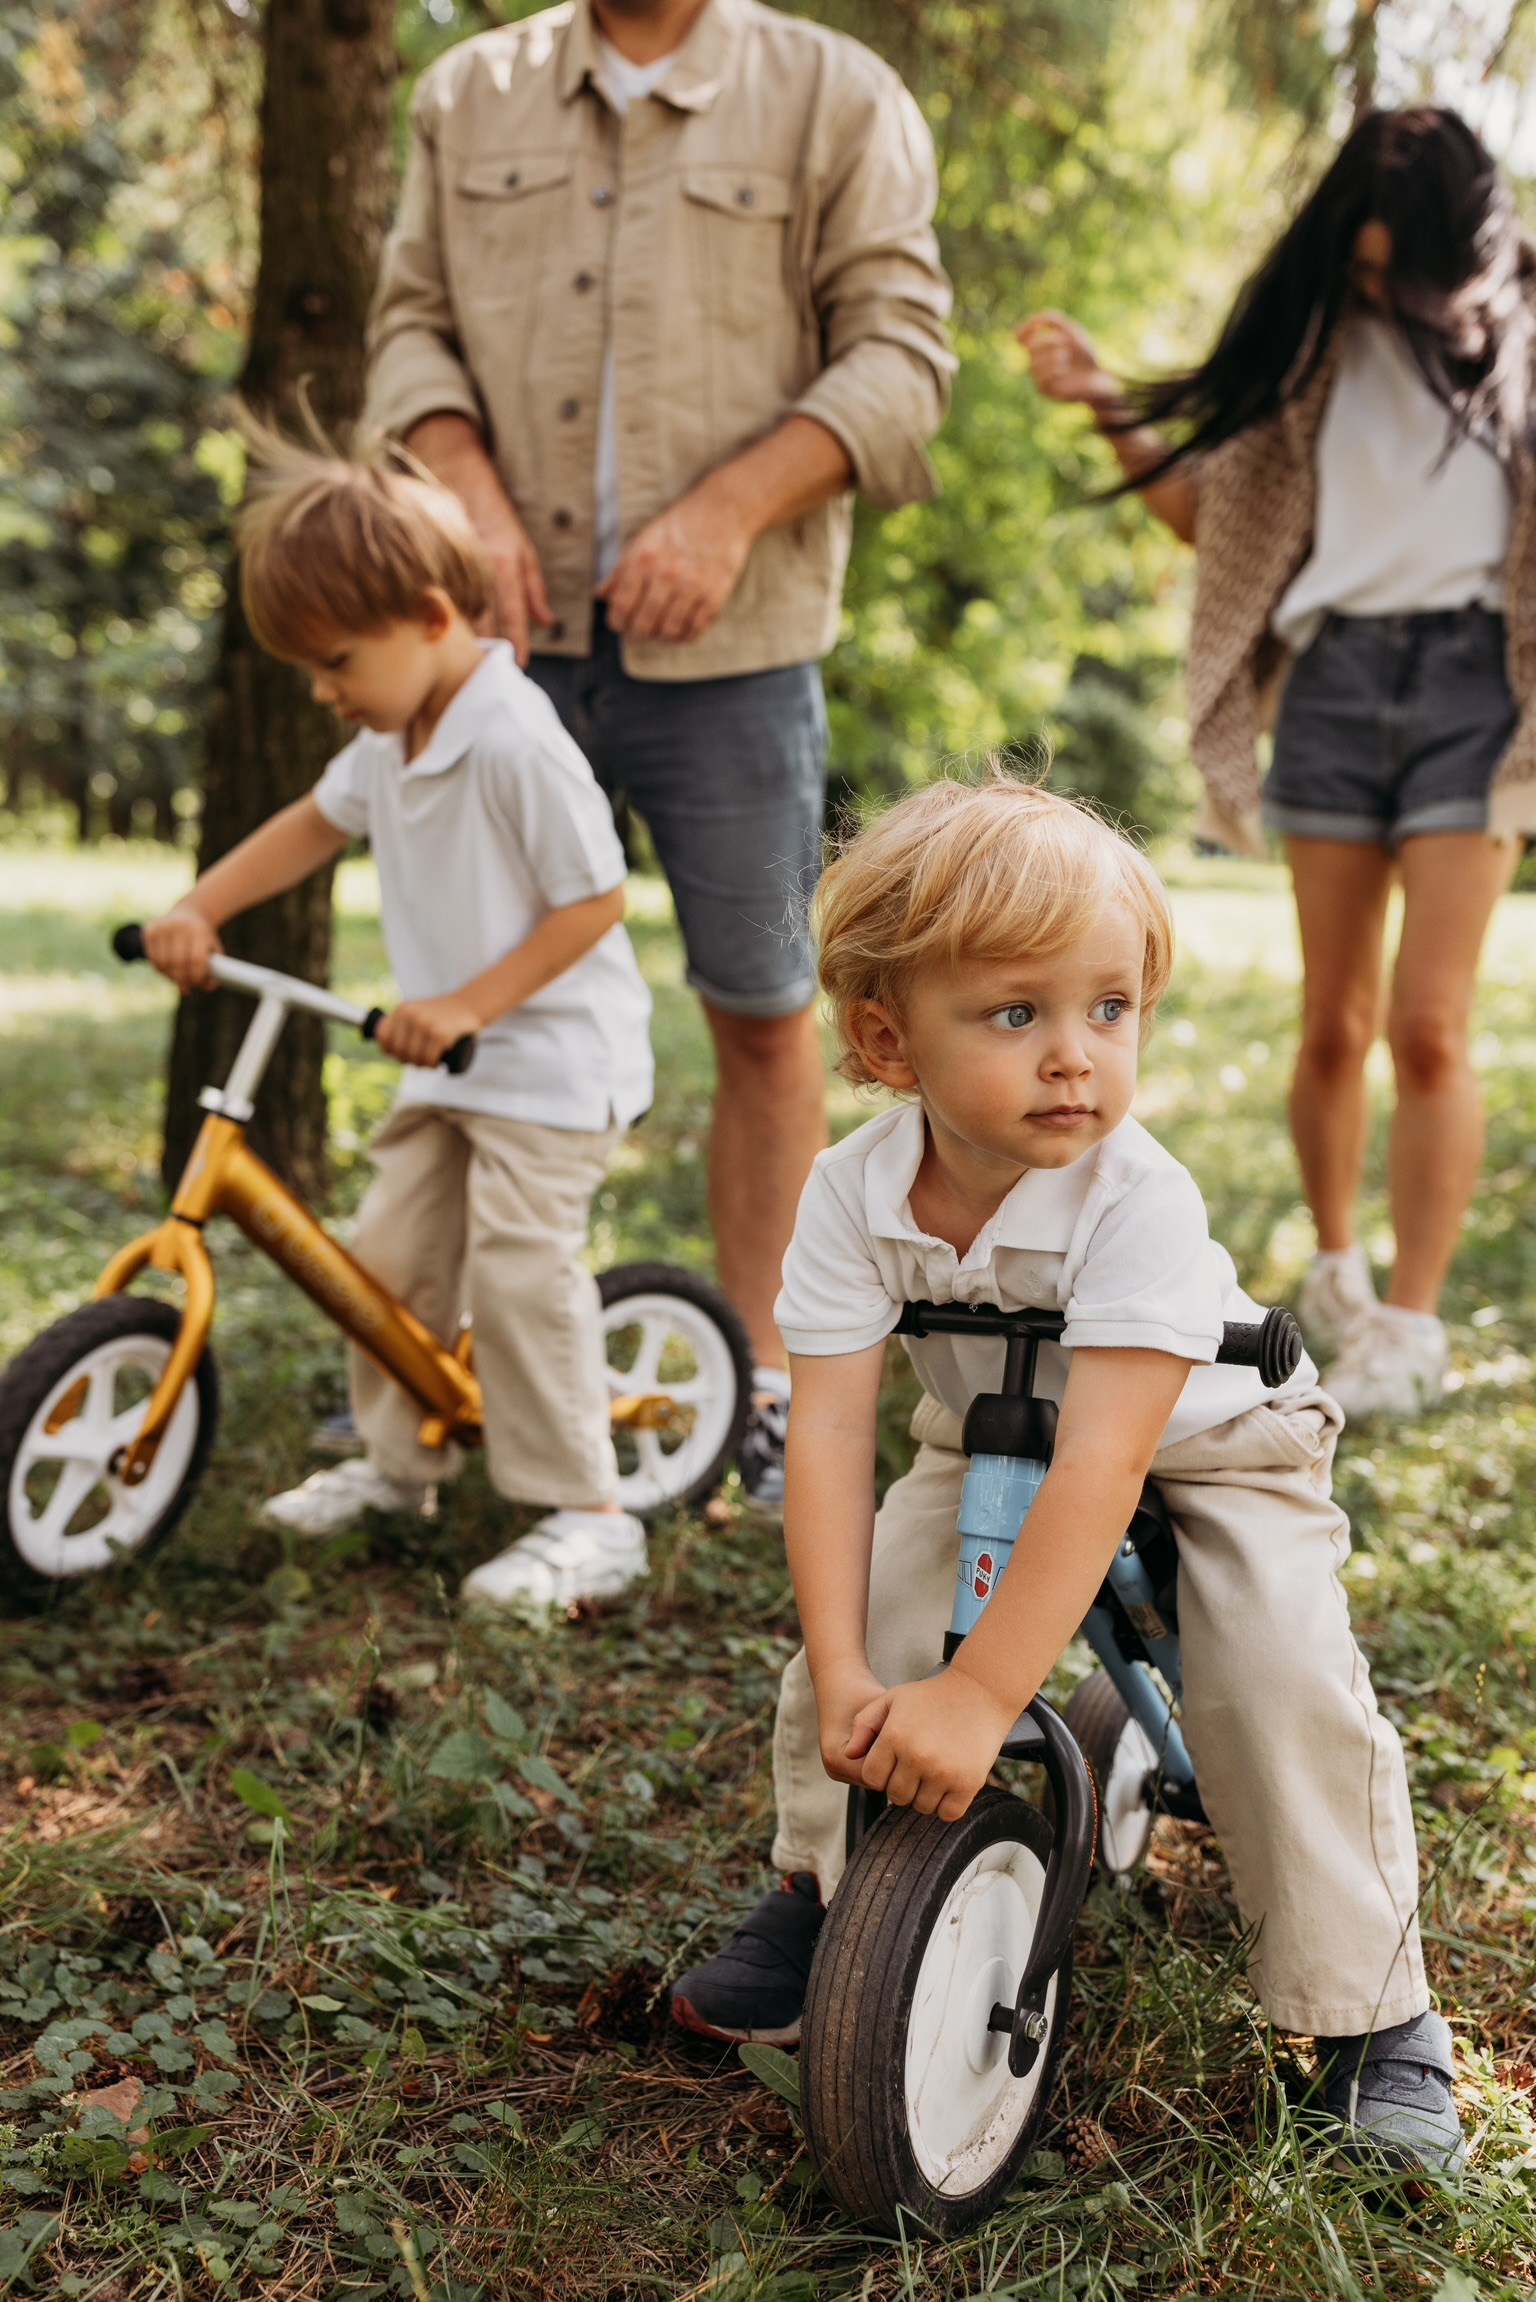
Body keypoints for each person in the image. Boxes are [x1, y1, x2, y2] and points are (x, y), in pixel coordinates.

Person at [670, 777, 1464, 2177]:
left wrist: (985, 1695)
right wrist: (858, 1665)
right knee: (873, 1607)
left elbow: (1107, 1462)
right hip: (979, 1436)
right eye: (1016, 1012)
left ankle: (1369, 2014)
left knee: (1278, 1670)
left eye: (1110, 1009)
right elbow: (838, 1435)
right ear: (884, 1038)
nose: (1075, 1058)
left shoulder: (1137, 1200)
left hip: (1217, 1443)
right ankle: (824, 1884)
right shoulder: (854, 1192)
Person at [362, 0, 955, 1507]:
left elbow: (902, 361)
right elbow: (409, 328)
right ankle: (434, 1379)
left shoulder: (837, 94)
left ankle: (752, 1376)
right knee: (470, 1006)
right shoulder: (466, 90)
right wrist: (470, 498)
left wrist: (729, 511)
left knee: (763, 1015)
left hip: (738, 655)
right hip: (492, 657)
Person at [1019, 106, 1536, 1422]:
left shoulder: (1520, 334)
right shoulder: (1312, 351)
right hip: (1334, 681)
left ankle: (1414, 1326)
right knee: (1332, 1022)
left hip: (1480, 684)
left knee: (1427, 1025)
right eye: (1357, 263)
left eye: (1393, 264)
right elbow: (1220, 521)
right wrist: (1109, 413)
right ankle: (1342, 1278)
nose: (1377, 286)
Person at [141, 432, 657, 1612]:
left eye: (335, 660)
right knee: (389, 1258)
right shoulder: (388, 736)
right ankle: (395, 1467)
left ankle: (588, 1510)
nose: (323, 689)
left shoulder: (515, 736)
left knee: (520, 1271)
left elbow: (596, 899)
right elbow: (309, 826)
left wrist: (469, 1002)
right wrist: (200, 903)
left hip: (547, 1062)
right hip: (448, 1057)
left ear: (430, 615)